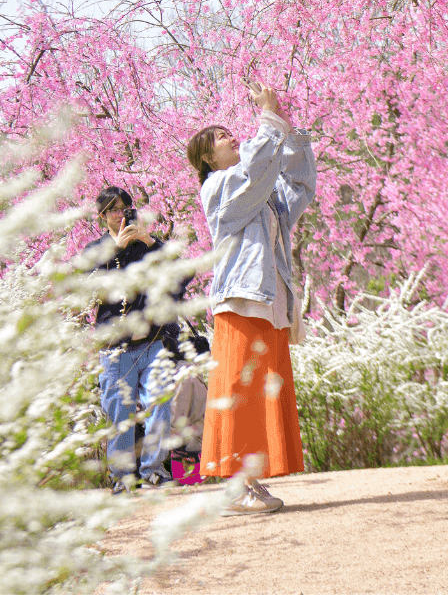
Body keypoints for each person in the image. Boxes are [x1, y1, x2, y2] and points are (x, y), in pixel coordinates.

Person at [187, 83, 316, 516]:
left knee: (260, 394)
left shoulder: (259, 195)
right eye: (220, 136)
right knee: (240, 393)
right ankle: (238, 485)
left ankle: (251, 482)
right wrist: (268, 120)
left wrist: (289, 133)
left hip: (269, 303)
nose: (230, 137)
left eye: (230, 131)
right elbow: (256, 170)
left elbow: (297, 187)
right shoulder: (219, 188)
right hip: (241, 300)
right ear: (207, 156)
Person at [88, 186, 183, 492]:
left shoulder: (147, 245)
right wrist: (115, 248)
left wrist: (150, 241)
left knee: (160, 402)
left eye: (125, 208)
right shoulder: (96, 251)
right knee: (119, 412)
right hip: (116, 348)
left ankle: (154, 470)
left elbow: (180, 276)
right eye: (113, 210)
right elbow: (87, 288)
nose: (120, 215)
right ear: (103, 216)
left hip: (153, 340)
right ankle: (123, 478)